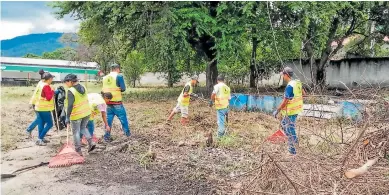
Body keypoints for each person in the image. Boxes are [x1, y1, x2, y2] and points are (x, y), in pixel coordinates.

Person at [273, 67, 305, 156]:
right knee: (284, 124)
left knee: (290, 129)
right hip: (296, 109)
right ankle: (293, 141)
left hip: (291, 111)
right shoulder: (297, 83)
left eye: (283, 75)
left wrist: (277, 110)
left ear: (286, 75)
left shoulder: (290, 86)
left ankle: (293, 151)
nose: (282, 77)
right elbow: (304, 93)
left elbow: (285, 101)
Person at [64, 74, 95, 156]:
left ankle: (78, 151)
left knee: (76, 132)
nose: (66, 84)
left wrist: (67, 116)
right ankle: (91, 142)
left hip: (76, 115)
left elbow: (70, 105)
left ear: (70, 81)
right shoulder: (83, 87)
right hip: (86, 112)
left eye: (66, 82)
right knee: (83, 128)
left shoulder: (71, 91)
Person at [102, 63, 130, 142]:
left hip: (108, 103)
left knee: (108, 121)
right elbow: (123, 89)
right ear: (118, 69)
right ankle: (127, 135)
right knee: (123, 119)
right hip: (117, 103)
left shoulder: (104, 78)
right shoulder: (119, 76)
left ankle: (106, 137)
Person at [34, 72, 55, 146]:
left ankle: (41, 138)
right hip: (44, 108)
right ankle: (40, 139)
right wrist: (53, 91)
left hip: (38, 106)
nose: (52, 80)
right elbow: (49, 98)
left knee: (42, 123)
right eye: (52, 78)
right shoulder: (46, 86)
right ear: (49, 79)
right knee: (50, 124)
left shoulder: (40, 83)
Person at [26, 69, 45, 138]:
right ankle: (40, 137)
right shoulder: (43, 84)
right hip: (37, 103)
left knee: (40, 119)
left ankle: (29, 129)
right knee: (41, 120)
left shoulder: (41, 82)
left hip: (37, 102)